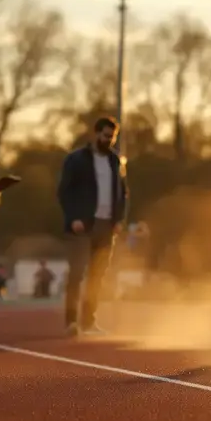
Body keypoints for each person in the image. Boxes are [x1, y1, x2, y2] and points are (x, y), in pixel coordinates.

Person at [58, 116, 128, 335]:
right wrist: (74, 217)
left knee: (97, 276)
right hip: (83, 225)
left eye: (113, 137)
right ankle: (71, 322)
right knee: (77, 274)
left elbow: (122, 192)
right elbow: (64, 191)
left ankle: (89, 321)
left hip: (107, 226)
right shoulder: (76, 159)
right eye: (106, 136)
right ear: (96, 134)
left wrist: (118, 220)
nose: (109, 140)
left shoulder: (115, 161)